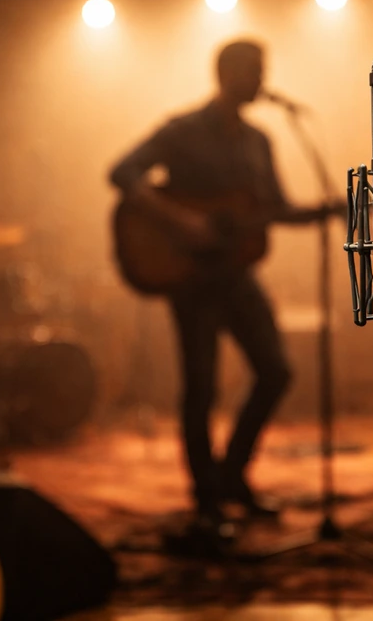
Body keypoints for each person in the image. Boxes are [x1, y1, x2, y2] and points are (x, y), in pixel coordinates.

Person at [109, 39, 339, 542]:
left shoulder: (259, 141)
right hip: (190, 280)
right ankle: (207, 500)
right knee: (201, 387)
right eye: (255, 70)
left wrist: (328, 210)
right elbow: (121, 172)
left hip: (235, 276)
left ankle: (232, 475)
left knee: (275, 371)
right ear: (227, 73)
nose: (262, 79)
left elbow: (274, 208)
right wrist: (181, 220)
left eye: (264, 69)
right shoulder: (183, 131)